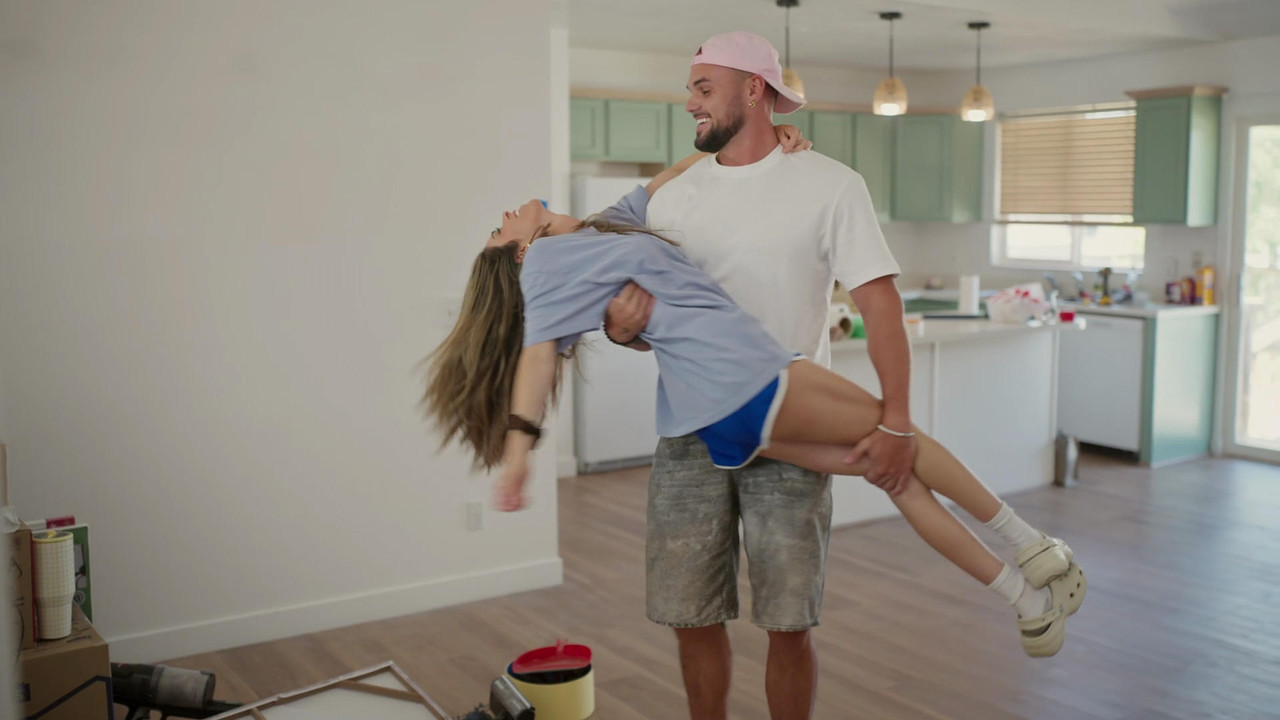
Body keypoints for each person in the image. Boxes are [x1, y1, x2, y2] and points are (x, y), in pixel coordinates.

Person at [419, 142, 1087, 682]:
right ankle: (1033, 546)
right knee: (898, 433)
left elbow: (680, 171)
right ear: (521, 251)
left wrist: (766, 145)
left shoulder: (601, 229)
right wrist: (519, 454)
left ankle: (1027, 601)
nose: (503, 214)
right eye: (498, 230)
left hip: (718, 419)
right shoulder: (548, 261)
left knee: (894, 473)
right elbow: (537, 359)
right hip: (750, 378)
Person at [606, 31, 1080, 719]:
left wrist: (896, 420)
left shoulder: (830, 185)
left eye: (703, 89)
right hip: (688, 435)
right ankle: (1028, 564)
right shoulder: (669, 201)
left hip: (790, 417)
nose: (690, 104)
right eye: (690, 91)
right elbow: (655, 325)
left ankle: (1027, 565)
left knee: (789, 622)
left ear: (754, 90)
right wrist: (624, 331)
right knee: (690, 617)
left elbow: (881, 308)